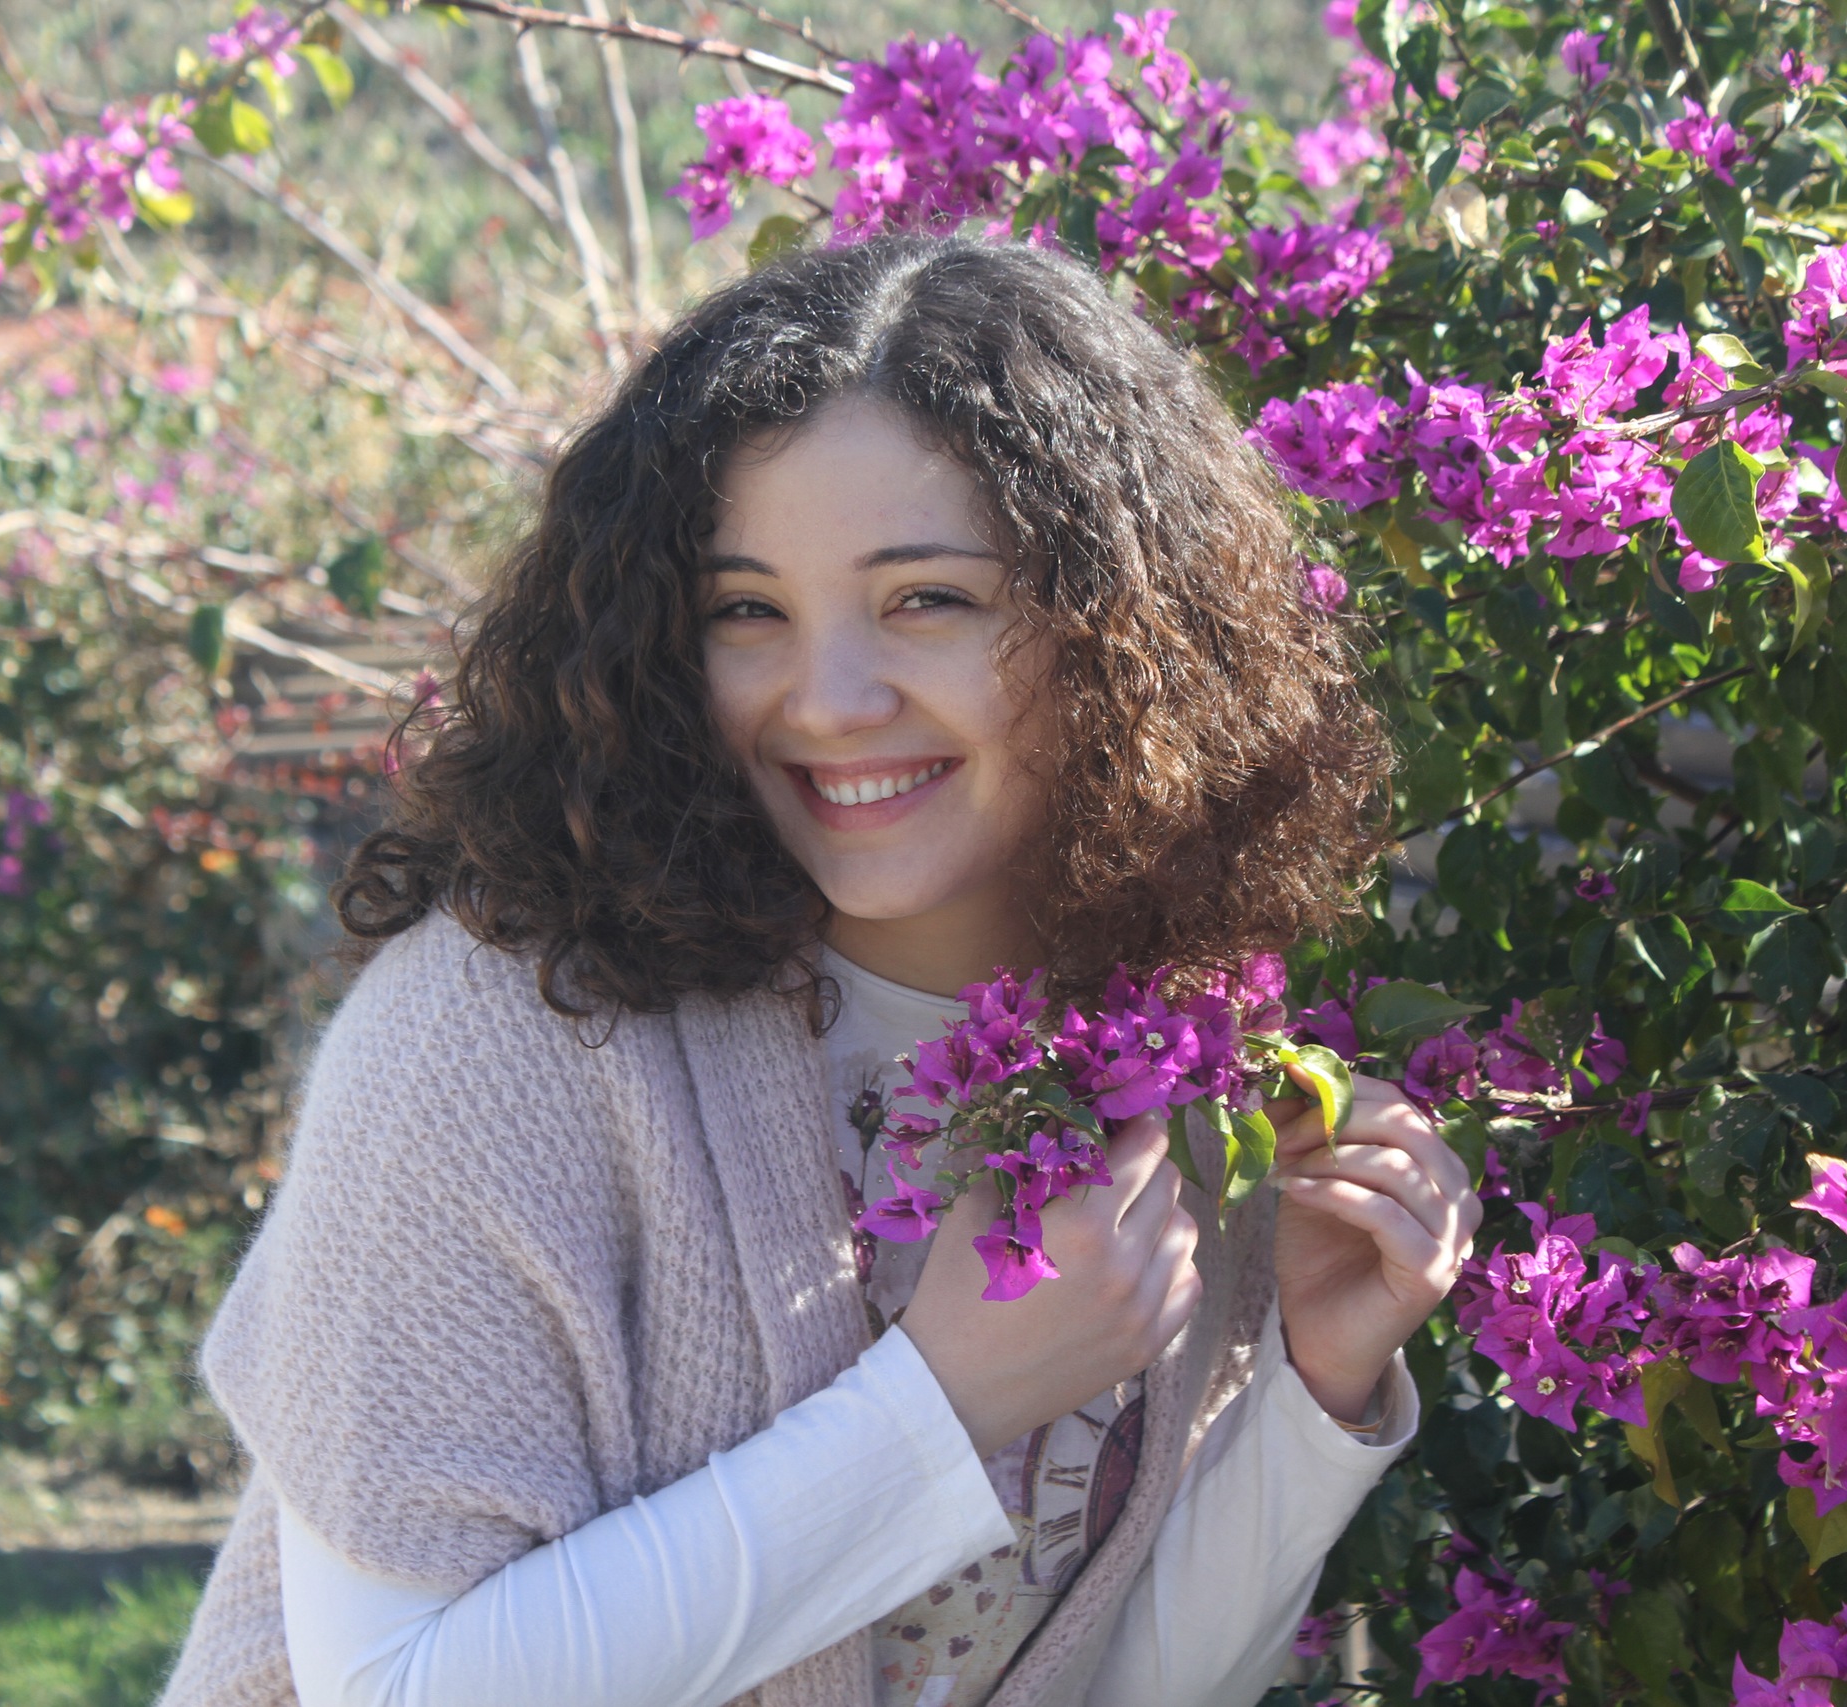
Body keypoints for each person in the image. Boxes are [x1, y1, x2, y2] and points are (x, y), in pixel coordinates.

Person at [160, 233, 1480, 1707]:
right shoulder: (489, 1037)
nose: (832, 700)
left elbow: (1113, 1680)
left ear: (1124, 631)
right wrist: (946, 1405)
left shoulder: (1159, 1054)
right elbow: (399, 1688)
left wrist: (1314, 1381)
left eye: (928, 600)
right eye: (746, 611)